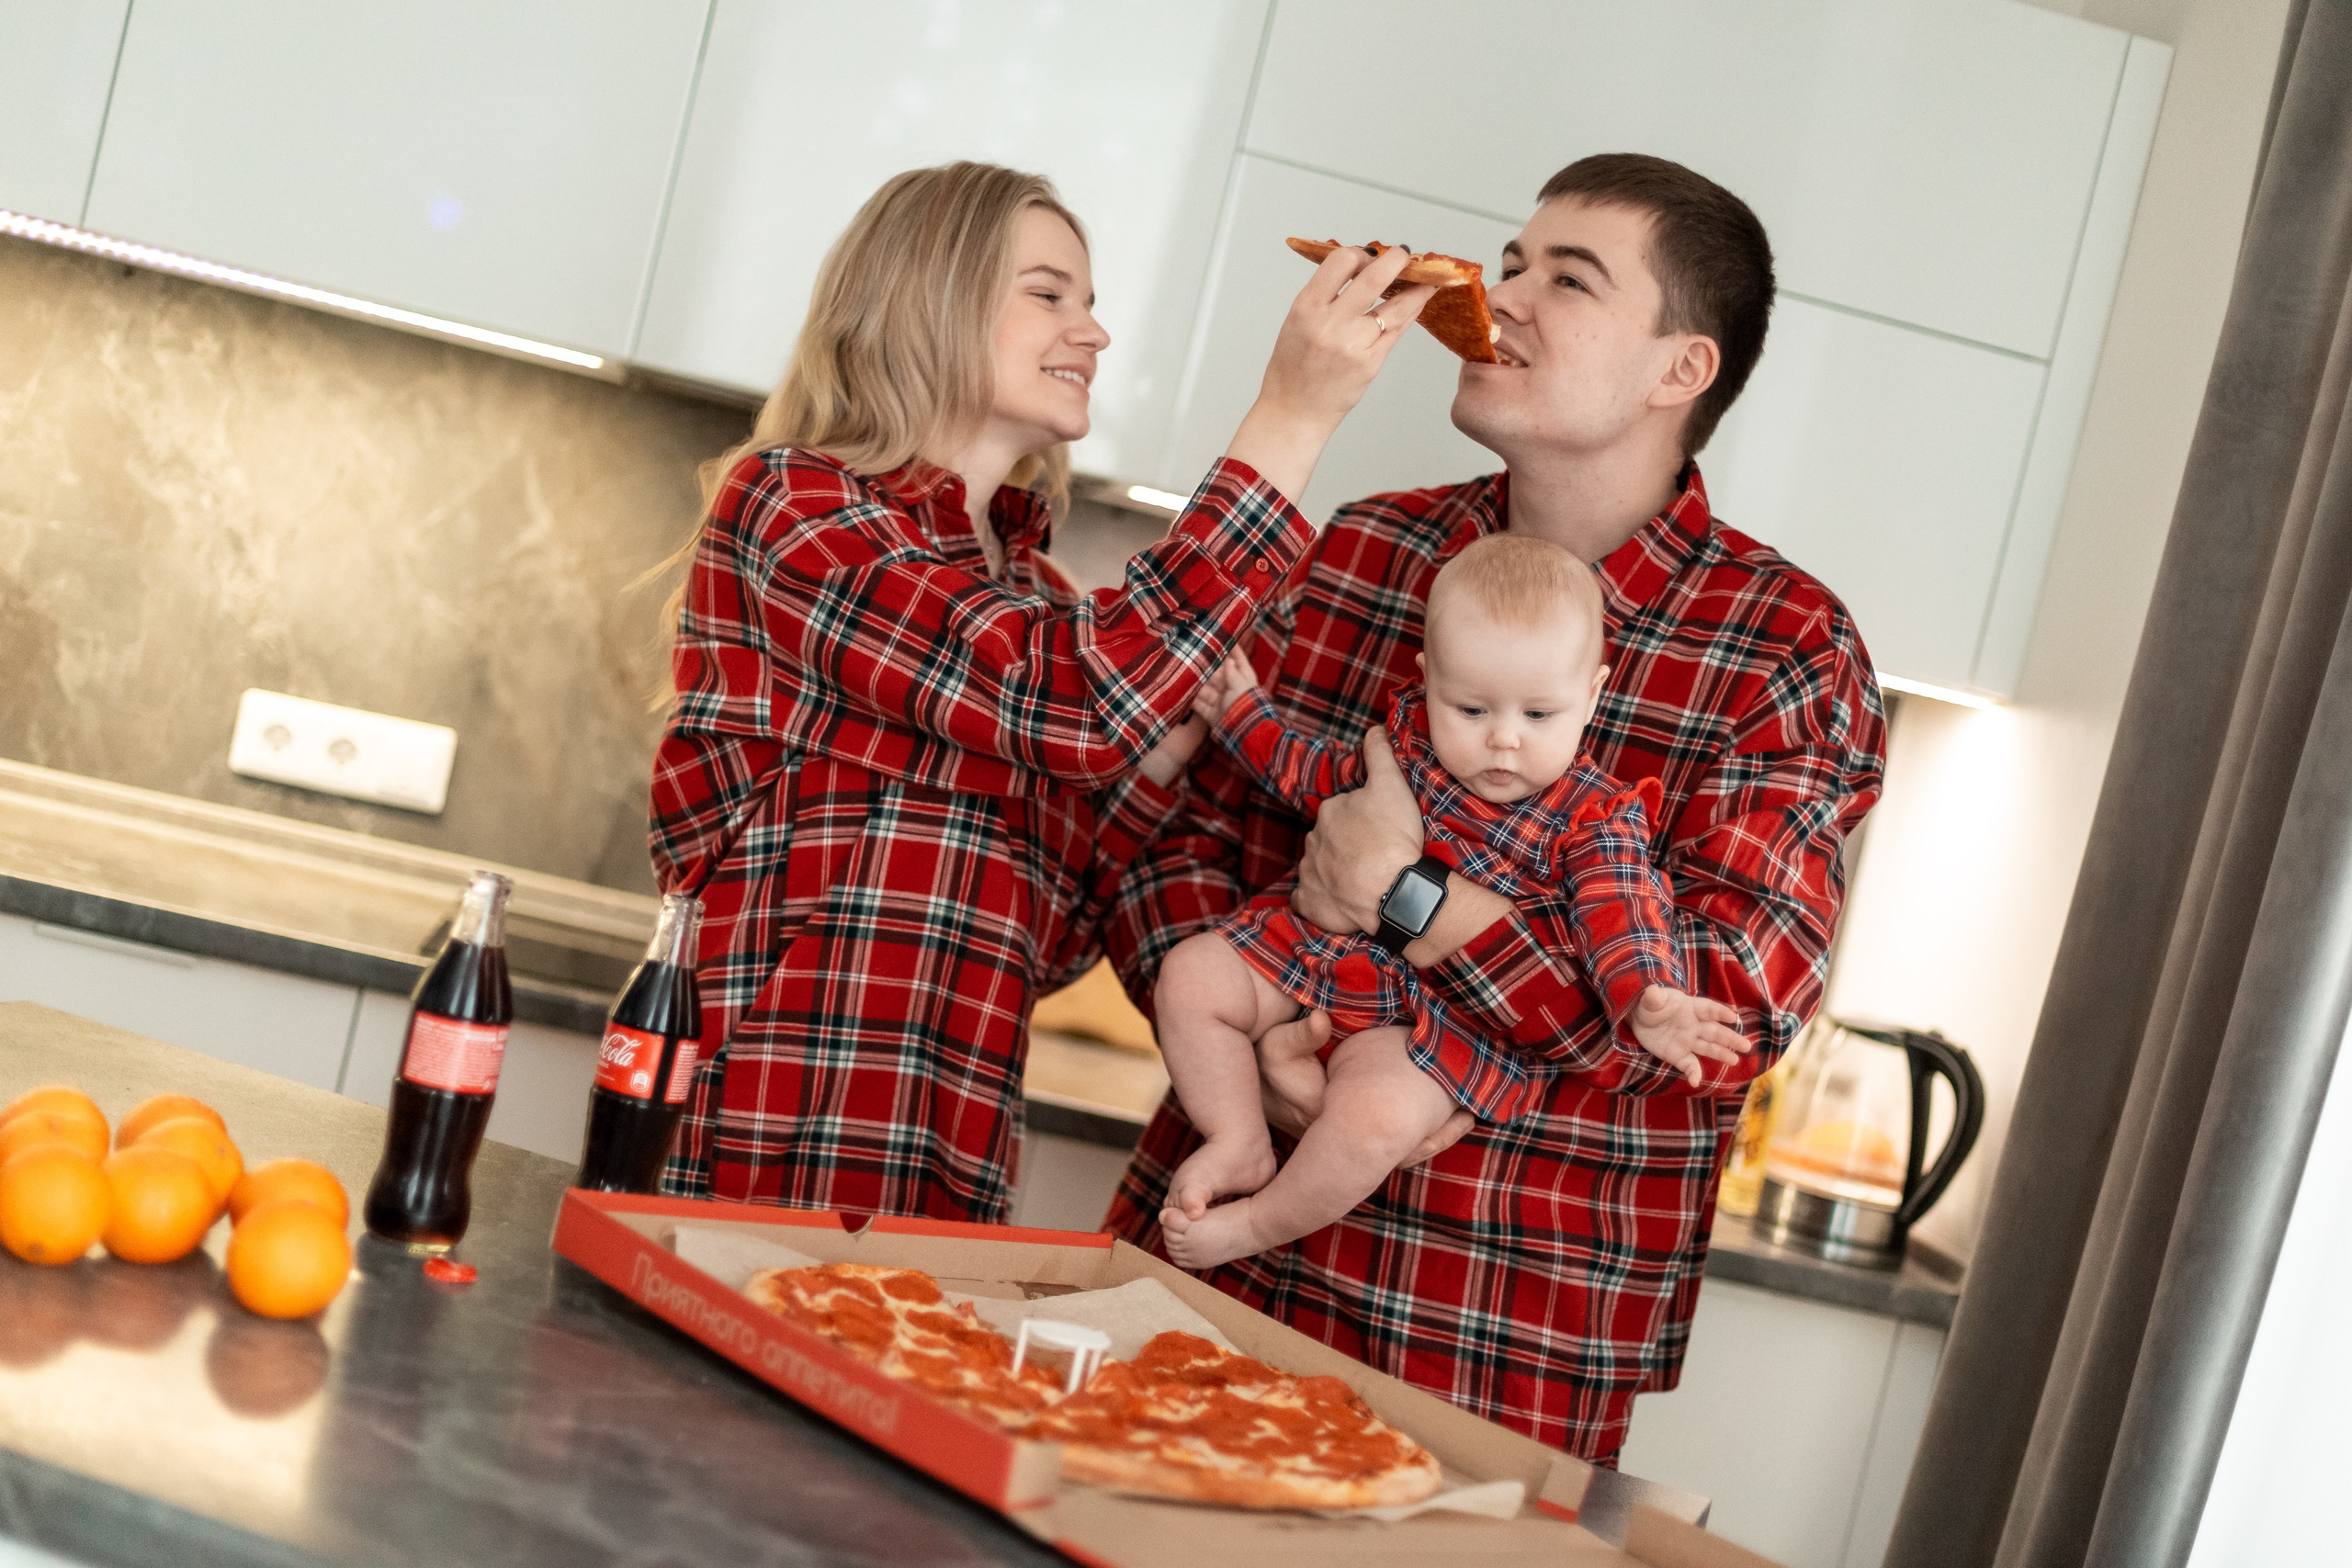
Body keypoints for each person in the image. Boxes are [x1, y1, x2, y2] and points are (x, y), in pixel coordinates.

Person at [1104, 153, 1888, 1464]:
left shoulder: (1784, 647)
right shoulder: (1364, 550)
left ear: (1678, 370)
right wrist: (1268, 1046)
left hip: (1502, 1326)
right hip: (1212, 1263)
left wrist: (1412, 900)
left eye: (1565, 280)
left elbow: (1724, 1012)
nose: (1498, 296)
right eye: (1510, 261)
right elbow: (1173, 844)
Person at [649, 162, 1433, 1219]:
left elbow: (1059, 924)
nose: (1093, 332)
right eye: (1049, 293)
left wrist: (1270, 1030)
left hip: (948, 1155)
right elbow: (1069, 702)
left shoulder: (1039, 594)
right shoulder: (798, 508)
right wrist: (1291, 415)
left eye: (1093, 302)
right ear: (927, 298)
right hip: (766, 1126)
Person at [1150, 534, 1749, 1270]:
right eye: (1469, 707)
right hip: (1321, 961)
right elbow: (1306, 769)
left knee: (1373, 1118)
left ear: (1593, 695)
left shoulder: (1595, 817)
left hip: (1436, 1025)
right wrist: (1242, 711)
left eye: (1538, 715)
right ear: (1427, 680)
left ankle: (1254, 1226)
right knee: (1190, 974)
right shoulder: (1404, 747)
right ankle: (1237, 1138)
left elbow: (1618, 911)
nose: (1502, 740)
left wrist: (1646, 993)